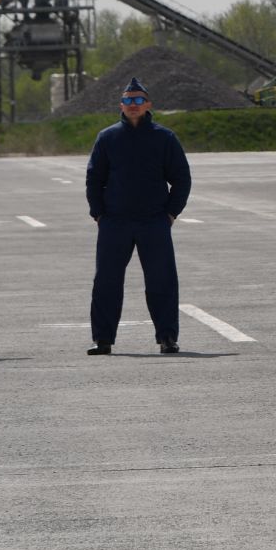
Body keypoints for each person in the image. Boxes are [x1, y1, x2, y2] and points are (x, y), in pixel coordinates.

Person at [85, 77, 192, 355]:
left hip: (153, 221)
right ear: (121, 104)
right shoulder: (107, 137)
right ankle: (103, 339)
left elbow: (181, 178)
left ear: (148, 104)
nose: (133, 105)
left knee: (162, 280)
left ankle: (167, 338)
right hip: (114, 222)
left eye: (138, 100)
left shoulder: (164, 137)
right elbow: (94, 178)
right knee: (106, 281)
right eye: (128, 100)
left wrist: (170, 213)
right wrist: (98, 213)